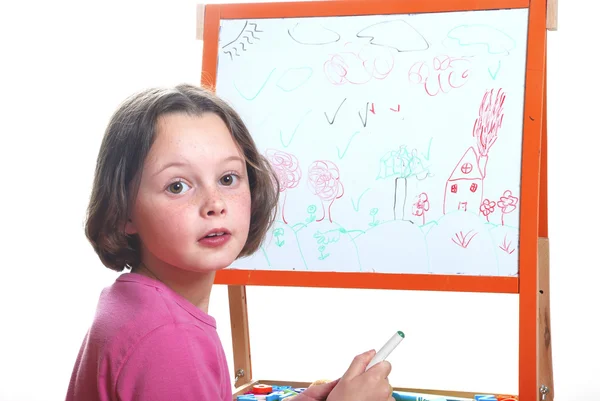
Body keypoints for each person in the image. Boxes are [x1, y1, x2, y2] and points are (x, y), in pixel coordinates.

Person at [66, 84, 394, 401]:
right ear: (124, 211)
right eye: (177, 186)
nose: (215, 203)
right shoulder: (169, 339)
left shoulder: (134, 302)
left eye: (228, 178)